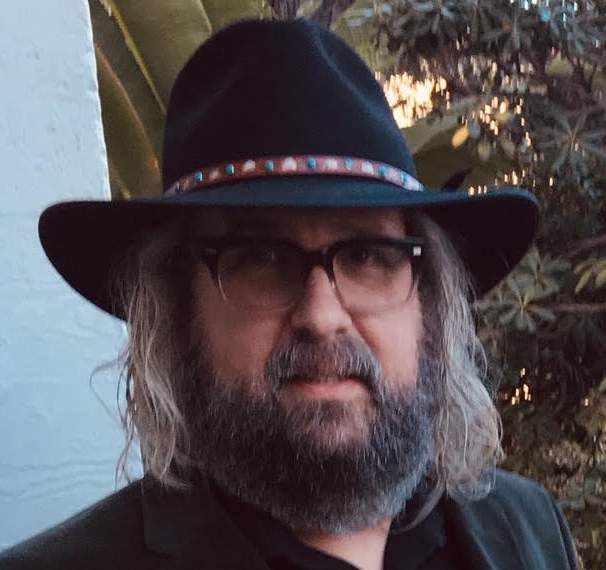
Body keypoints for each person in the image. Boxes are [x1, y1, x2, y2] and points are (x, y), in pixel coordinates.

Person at [0, 18, 578, 570]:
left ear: (430, 302)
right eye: (260, 260)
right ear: (176, 311)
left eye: (368, 257)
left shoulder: (527, 527)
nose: (322, 316)